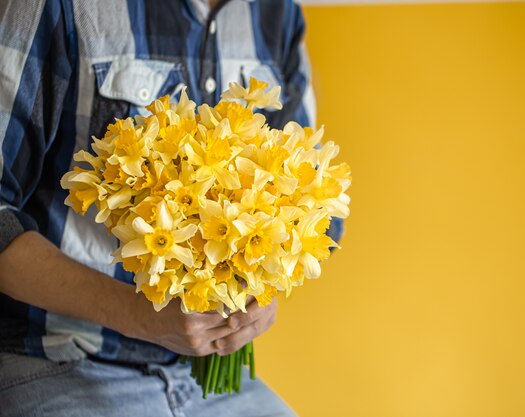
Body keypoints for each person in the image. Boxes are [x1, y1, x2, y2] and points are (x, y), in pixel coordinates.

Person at [0, 0, 343, 415]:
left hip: (211, 381)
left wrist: (260, 295)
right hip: (60, 357)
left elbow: (309, 203)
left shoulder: (276, 13)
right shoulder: (63, 6)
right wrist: (135, 314)